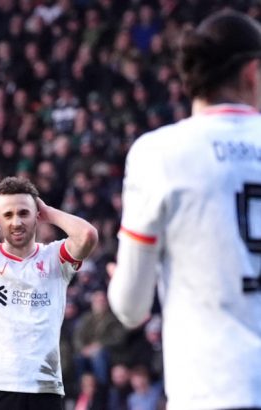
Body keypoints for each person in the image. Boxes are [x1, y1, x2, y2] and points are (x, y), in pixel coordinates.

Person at [108, 10, 261, 410]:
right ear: (252, 72)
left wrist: (124, 276)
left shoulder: (159, 154)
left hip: (210, 389)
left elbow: (130, 307)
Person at [0, 176, 98, 410]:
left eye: (24, 213)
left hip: (44, 387)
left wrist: (47, 210)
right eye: (8, 215)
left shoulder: (55, 258)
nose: (16, 222)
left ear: (37, 216)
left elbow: (87, 235)